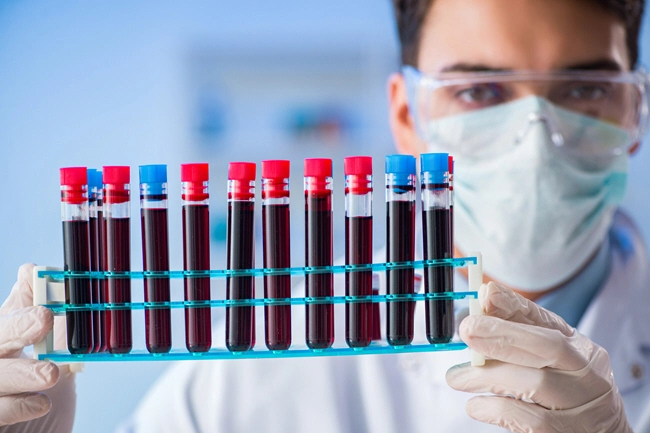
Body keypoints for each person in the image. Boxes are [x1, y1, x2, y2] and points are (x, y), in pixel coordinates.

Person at [1, 0, 649, 431]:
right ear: (405, 116)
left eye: (586, 88)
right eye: (479, 91)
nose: (533, 137)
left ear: (635, 111)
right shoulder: (253, 371)